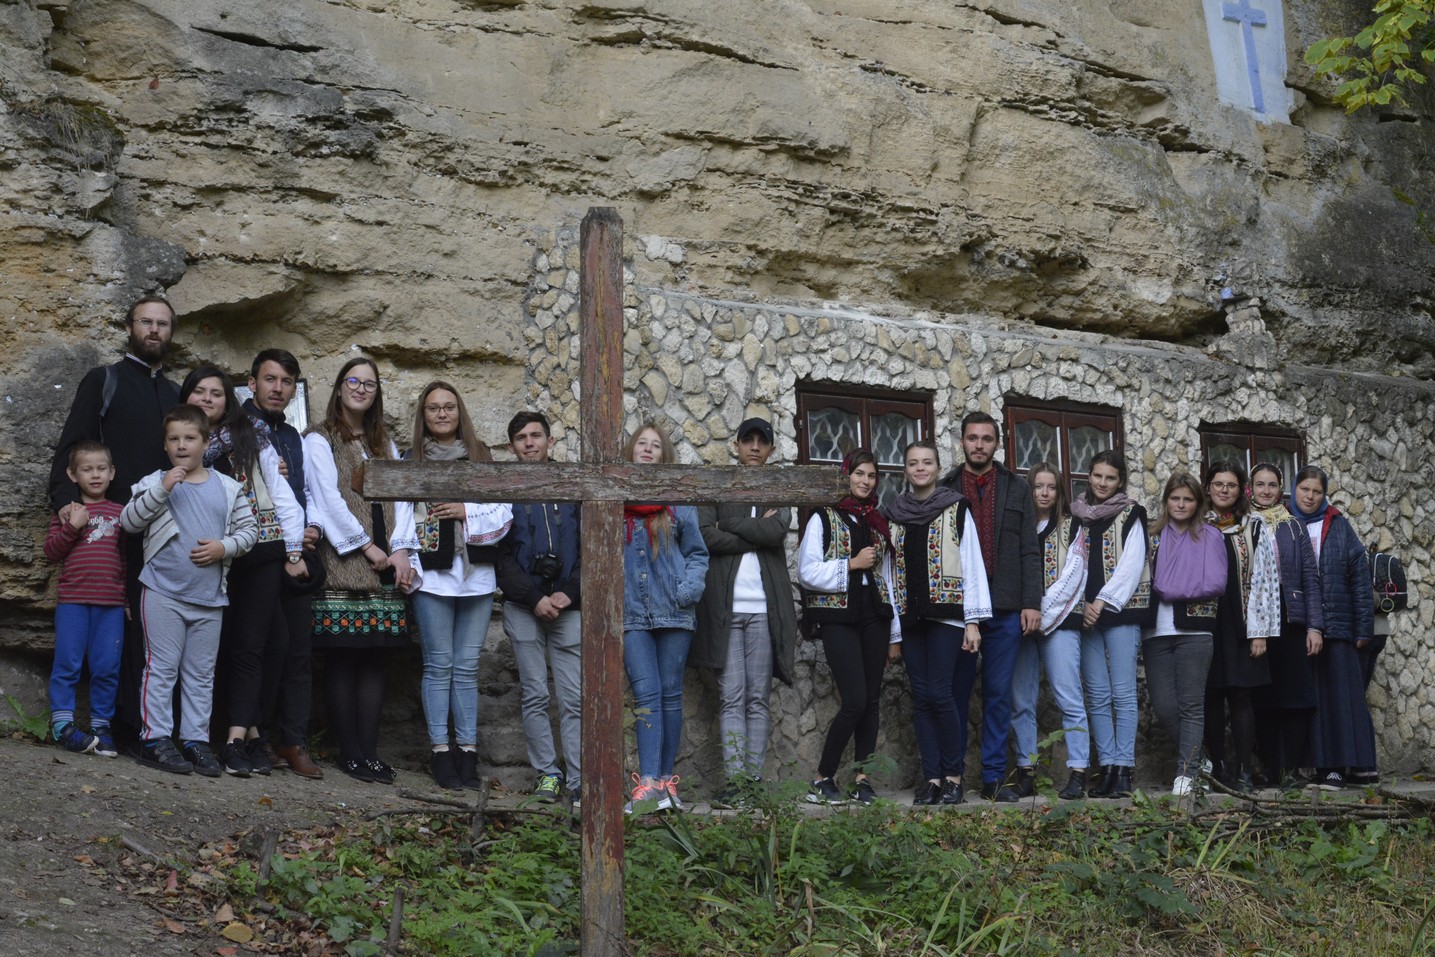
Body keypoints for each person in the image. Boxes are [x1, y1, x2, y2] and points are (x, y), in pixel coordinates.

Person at [48, 296, 180, 752]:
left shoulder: (175, 393)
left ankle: (140, 726)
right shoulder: (104, 380)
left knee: (149, 633)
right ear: (129, 327)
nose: (154, 330)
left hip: (162, 532)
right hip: (107, 529)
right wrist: (68, 506)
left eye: (162, 324)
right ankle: (112, 726)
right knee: (114, 632)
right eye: (146, 321)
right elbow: (71, 449)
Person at [180, 365, 307, 778]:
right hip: (210, 554)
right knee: (219, 646)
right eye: (199, 392)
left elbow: (280, 492)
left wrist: (291, 550)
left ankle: (242, 735)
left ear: (228, 399)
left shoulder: (252, 434)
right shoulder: (180, 441)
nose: (208, 399)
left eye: (216, 393)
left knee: (259, 646)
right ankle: (245, 733)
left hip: (261, 551)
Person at [120, 404, 258, 776]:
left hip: (209, 598)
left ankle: (195, 740)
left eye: (190, 438)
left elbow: (249, 532)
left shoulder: (227, 487)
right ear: (165, 445)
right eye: (174, 439)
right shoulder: (154, 482)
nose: (182, 446)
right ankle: (155, 738)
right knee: (161, 668)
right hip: (162, 591)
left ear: (206, 441)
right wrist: (163, 489)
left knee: (200, 673)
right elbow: (129, 522)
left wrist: (222, 547)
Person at [393, 382, 512, 791]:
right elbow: (401, 517)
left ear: (459, 412)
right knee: (438, 665)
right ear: (423, 416)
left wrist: (466, 510)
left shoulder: (481, 457)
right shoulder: (412, 460)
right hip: (433, 574)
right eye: (432, 408)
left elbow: (502, 511)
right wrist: (404, 558)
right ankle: (441, 751)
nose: (441, 414)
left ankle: (468, 751)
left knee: (466, 668)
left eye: (448, 407)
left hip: (475, 574)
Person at [303, 357, 413, 784]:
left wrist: (401, 550)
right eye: (354, 381)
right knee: (344, 658)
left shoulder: (385, 442)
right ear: (340, 387)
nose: (361, 389)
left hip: (387, 562)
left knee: (375, 659)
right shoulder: (320, 437)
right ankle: (349, 752)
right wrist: (368, 547)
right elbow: (327, 498)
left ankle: (370, 751)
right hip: (347, 561)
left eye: (369, 383)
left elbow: (404, 497)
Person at [692, 417, 798, 808]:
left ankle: (752, 783)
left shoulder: (778, 489)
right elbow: (705, 535)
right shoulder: (716, 485)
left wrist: (731, 524)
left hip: (764, 611)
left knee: (757, 698)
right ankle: (735, 784)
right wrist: (754, 529)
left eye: (762, 442)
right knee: (731, 697)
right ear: (736, 445)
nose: (754, 447)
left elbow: (778, 532)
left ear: (771, 449)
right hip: (725, 608)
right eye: (747, 440)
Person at [937, 412, 1041, 803]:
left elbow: (1031, 549)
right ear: (961, 442)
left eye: (986, 438)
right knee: (956, 693)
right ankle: (953, 777)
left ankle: (994, 778)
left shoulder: (1016, 488)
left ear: (997, 443)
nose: (978, 444)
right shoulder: (945, 488)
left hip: (1007, 607)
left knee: (998, 694)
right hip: (958, 609)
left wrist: (1032, 602)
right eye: (972, 438)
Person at [886, 440, 991, 806]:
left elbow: (973, 564)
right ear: (905, 470)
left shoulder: (956, 508)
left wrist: (973, 621)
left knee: (941, 693)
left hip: (949, 616)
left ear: (936, 468)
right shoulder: (894, 515)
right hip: (911, 618)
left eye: (926, 462)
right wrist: (893, 630)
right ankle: (930, 778)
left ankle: (952, 776)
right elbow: (888, 572)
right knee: (922, 699)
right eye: (913, 463)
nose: (920, 468)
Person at [798, 449, 901, 806]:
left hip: (874, 618)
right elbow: (807, 572)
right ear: (846, 475)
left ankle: (861, 779)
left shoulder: (877, 521)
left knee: (871, 702)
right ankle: (822, 776)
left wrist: (895, 634)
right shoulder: (823, 518)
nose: (865, 481)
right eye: (859, 474)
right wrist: (852, 564)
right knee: (854, 700)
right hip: (838, 619)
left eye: (871, 476)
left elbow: (889, 578)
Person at [243, 350, 327, 779]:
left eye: (287, 382)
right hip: (255, 556)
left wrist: (311, 528)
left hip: (296, 555)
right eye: (270, 379)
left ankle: (292, 740)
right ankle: (253, 738)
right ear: (252, 381)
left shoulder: (293, 436)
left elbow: (306, 491)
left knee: (297, 651)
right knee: (258, 651)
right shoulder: (235, 429)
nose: (278, 388)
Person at [620, 422, 709, 814]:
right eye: (642, 443)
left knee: (671, 695)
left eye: (656, 446)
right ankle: (648, 785)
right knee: (646, 695)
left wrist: (686, 591)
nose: (648, 450)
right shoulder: (614, 497)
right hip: (631, 613)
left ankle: (668, 785)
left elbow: (697, 553)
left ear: (664, 455)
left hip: (674, 611)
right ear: (630, 450)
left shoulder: (678, 500)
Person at [496, 412, 583, 805]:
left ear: (550, 440)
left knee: (573, 697)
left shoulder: (573, 484)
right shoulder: (504, 488)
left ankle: (580, 778)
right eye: (520, 438)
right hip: (522, 605)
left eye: (535, 436)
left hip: (568, 607)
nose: (529, 443)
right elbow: (499, 554)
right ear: (512, 446)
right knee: (534, 693)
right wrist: (534, 598)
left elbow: (591, 543)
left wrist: (570, 592)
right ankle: (547, 774)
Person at [1291, 465, 1376, 790]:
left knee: (1341, 699)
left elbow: (1359, 579)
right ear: (1295, 490)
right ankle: (1325, 769)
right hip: (1303, 629)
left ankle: (1347, 768)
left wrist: (1362, 629)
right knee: (1314, 702)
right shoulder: (1285, 523)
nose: (1310, 496)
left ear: (1323, 494)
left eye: (1316, 491)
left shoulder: (1339, 527)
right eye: (1305, 489)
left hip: (1339, 627)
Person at [1071, 450, 1150, 799]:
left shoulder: (1132, 514)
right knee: (1098, 695)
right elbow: (1068, 564)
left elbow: (1132, 565)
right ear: (1088, 476)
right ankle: (1105, 767)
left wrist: (1101, 602)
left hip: (1120, 611)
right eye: (1098, 476)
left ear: (1120, 482)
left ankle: (1124, 768)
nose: (1103, 483)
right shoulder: (1076, 516)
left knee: (1122, 693)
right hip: (1083, 614)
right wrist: (1082, 605)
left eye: (1111, 478)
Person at [1143, 473, 1227, 796]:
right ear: (1166, 501)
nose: (1181, 504)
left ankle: (1187, 773)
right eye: (1175, 498)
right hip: (1156, 632)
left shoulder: (1210, 537)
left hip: (1195, 631)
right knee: (1165, 707)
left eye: (1188, 499)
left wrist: (1170, 586)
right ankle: (1200, 760)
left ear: (1198, 503)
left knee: (1191, 705)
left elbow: (1216, 583)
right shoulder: (1153, 536)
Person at [1010, 462, 1091, 801]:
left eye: (1051, 487)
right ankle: (1026, 770)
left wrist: (1040, 611)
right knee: (1021, 699)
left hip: (1060, 622)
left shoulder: (1073, 527)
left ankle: (1078, 770)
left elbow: (1074, 574)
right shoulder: (1017, 527)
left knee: (1068, 696)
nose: (1044, 493)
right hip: (1022, 625)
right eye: (1037, 486)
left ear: (1060, 492)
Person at [43, 441, 126, 757]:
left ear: (112, 472)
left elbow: (125, 560)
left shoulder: (120, 513)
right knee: (67, 664)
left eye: (101, 469)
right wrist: (73, 528)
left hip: (111, 605)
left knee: (107, 667)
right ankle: (62, 726)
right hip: (73, 602)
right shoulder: (68, 512)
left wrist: (127, 602)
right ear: (72, 474)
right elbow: (52, 552)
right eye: (87, 469)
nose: (95, 475)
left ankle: (100, 727)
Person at [1202, 461, 1281, 794]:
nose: (1224, 490)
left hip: (1243, 622)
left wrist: (1260, 629)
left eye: (1231, 485)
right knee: (1210, 696)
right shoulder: (1197, 523)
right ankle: (1218, 768)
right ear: (1208, 488)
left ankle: (1245, 770)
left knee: (1241, 696)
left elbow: (1266, 578)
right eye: (1218, 484)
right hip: (1205, 622)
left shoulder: (1255, 525)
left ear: (1241, 490)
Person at [1248, 463, 1325, 789]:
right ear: (1250, 488)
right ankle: (1269, 769)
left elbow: (1310, 578)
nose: (1266, 491)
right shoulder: (1242, 525)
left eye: (1272, 485)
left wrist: (1315, 627)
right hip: (1257, 622)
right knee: (1262, 699)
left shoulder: (1293, 528)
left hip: (1291, 620)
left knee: (1295, 699)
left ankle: (1292, 770)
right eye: (1260, 485)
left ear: (1281, 489)